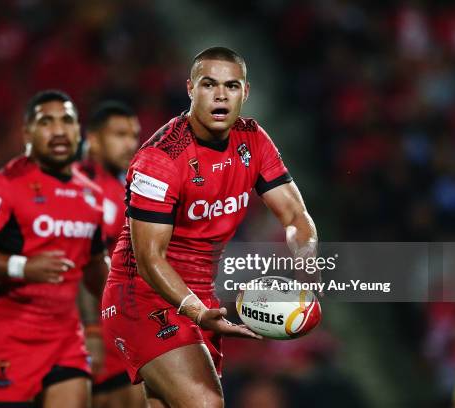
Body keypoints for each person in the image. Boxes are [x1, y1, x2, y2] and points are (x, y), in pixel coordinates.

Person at [101, 47, 318, 408]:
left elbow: (296, 216)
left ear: (244, 93)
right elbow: (148, 259)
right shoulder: (160, 159)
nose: (220, 94)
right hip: (141, 297)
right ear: (190, 89)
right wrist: (196, 311)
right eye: (209, 84)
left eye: (231, 85)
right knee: (205, 403)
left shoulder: (254, 140)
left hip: (202, 297)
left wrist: (307, 260)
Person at [0, 90, 109, 407]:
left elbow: (92, 267)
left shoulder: (91, 196)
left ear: (79, 131)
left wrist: (111, 315)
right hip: (4, 337)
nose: (59, 130)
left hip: (63, 336)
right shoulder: (0, 184)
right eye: (46, 122)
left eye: (67, 121)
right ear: (27, 133)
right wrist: (22, 267)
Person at [75, 101, 144, 407]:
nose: (130, 144)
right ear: (93, 138)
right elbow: (81, 262)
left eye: (133, 135)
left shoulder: (119, 187)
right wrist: (91, 330)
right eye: (119, 135)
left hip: (121, 325)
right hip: (91, 331)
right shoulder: (84, 189)